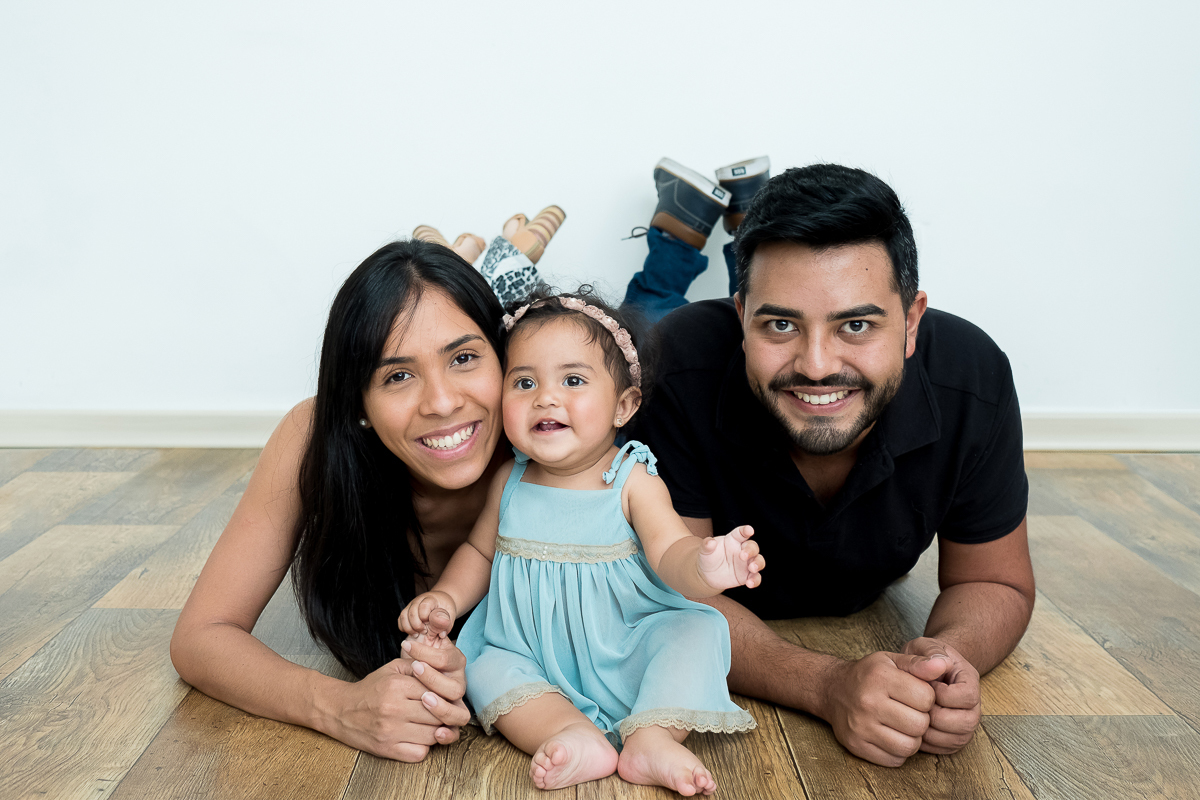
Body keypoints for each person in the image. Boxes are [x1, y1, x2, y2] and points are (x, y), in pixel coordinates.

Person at [625, 159, 1036, 768]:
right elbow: (669, 594)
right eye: (781, 324)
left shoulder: (971, 378)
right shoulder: (676, 365)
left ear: (912, 321)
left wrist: (944, 663)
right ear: (741, 318)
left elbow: (993, 579)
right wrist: (824, 684)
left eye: (857, 324)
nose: (817, 364)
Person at [169, 207, 564, 763]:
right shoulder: (312, 437)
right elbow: (200, 636)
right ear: (357, 401)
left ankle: (477, 264)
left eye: (466, 358)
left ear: (503, 362)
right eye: (398, 375)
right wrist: (338, 707)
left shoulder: (557, 435)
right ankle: (463, 266)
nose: (442, 402)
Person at [399, 287, 763, 795]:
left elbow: (669, 552)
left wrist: (706, 567)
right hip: (526, 646)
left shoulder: (631, 478)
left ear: (623, 405)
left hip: (626, 642)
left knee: (695, 634)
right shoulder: (511, 481)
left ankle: (652, 739)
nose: (545, 397)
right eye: (524, 382)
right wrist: (446, 599)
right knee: (483, 665)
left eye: (572, 380)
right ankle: (568, 733)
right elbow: (480, 553)